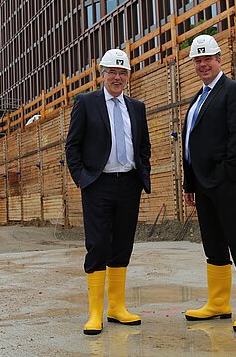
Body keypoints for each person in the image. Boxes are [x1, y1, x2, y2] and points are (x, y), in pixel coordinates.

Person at [181, 34, 236, 333]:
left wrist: (229, 175)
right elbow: (191, 142)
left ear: (219, 59)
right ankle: (219, 303)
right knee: (213, 242)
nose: (203, 64)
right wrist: (190, 182)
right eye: (198, 60)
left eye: (207, 58)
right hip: (204, 183)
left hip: (226, 181)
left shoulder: (233, 91)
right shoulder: (199, 97)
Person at [65, 48, 151, 335]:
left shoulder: (137, 107)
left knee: (123, 244)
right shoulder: (86, 103)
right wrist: (82, 179)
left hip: (128, 184)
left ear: (128, 76)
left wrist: (142, 176)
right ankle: (94, 313)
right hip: (98, 184)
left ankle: (117, 308)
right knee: (98, 244)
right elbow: (72, 146)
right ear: (101, 75)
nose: (117, 77)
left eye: (122, 72)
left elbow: (143, 147)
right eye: (112, 72)